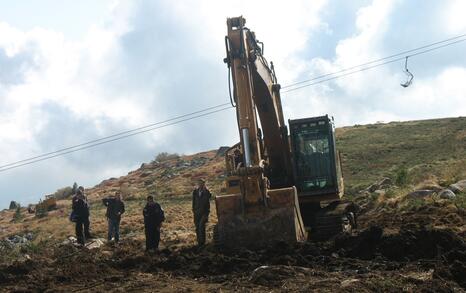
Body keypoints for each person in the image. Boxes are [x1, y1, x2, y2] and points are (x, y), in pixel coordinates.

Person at [192, 179, 211, 246]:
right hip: (197, 212)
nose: (200, 185)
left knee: (201, 226)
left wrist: (205, 190)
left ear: (203, 184)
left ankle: (202, 242)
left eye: (202, 183)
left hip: (204, 212)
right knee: (197, 227)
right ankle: (199, 242)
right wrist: (194, 210)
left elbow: (209, 196)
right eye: (199, 183)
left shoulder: (206, 192)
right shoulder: (195, 192)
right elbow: (193, 202)